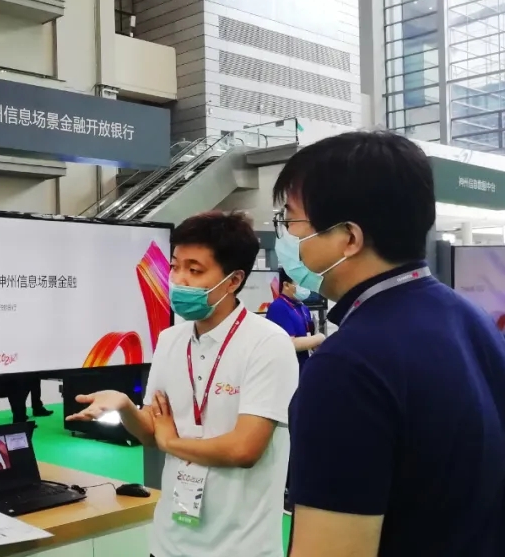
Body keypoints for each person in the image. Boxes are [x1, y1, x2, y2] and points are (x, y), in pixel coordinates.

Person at [273, 131, 505, 557]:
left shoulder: (348, 365)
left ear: (349, 238)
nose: (285, 237)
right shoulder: (471, 320)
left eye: (291, 222)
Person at [67, 211, 298, 557]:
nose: (178, 280)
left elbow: (243, 449)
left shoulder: (267, 343)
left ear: (233, 280)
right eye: (175, 267)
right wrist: (126, 407)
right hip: (168, 543)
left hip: (240, 548)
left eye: (195, 270)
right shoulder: (170, 340)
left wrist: (172, 442)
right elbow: (151, 432)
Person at [265, 268, 325, 370]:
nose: (305, 287)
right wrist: (319, 338)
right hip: (287, 370)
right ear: (286, 285)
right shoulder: (279, 307)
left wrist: (314, 344)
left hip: (304, 366)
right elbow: (289, 343)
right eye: (300, 283)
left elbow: (306, 336)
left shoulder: (303, 307)